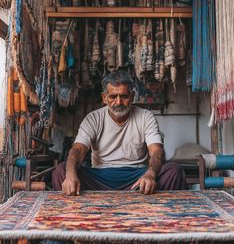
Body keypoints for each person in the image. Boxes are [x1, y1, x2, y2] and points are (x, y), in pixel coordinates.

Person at [52, 70, 186, 195]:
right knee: (61, 171)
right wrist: (70, 175)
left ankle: (160, 213)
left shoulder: (145, 117)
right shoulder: (93, 118)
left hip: (138, 177)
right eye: (112, 97)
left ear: (132, 96)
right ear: (104, 98)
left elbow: (157, 151)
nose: (118, 102)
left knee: (174, 171)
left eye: (124, 96)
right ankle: (75, 213)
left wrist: (150, 174)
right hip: (100, 177)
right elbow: (78, 150)